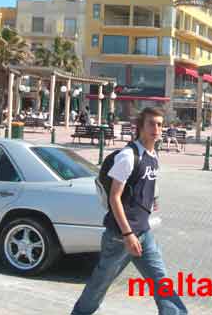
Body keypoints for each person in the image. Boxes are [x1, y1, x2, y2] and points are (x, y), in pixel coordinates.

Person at [71, 107, 187, 315]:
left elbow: (147, 182)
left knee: (161, 281)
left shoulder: (152, 154)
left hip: (143, 232)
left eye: (159, 124)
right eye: (151, 123)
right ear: (140, 127)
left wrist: (153, 199)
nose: (156, 128)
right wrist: (127, 234)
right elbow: (114, 196)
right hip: (120, 236)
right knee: (100, 283)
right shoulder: (128, 155)